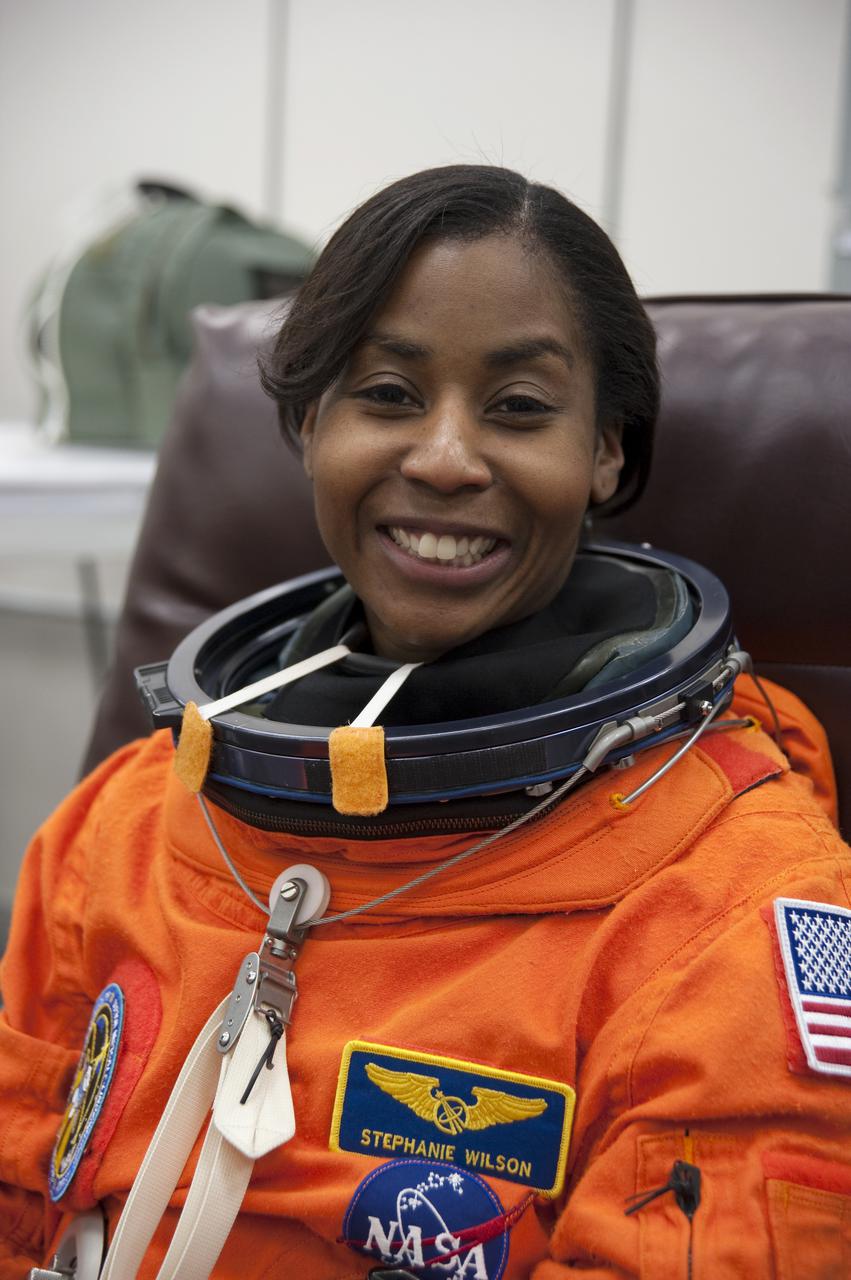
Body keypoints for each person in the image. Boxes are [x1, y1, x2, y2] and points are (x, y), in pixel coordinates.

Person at [1, 165, 849, 1280]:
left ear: (604, 449)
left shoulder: (726, 894)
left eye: (519, 408)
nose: (444, 457)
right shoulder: (123, 822)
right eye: (388, 394)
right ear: (308, 421)